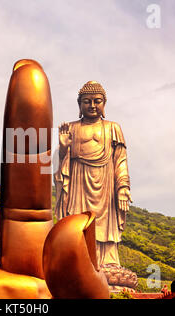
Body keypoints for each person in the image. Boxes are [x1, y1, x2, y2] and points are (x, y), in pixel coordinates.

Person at [55, 81, 132, 266]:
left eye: (97, 101)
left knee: (104, 225)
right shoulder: (72, 128)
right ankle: (78, 260)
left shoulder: (113, 128)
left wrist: (122, 187)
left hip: (105, 182)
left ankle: (108, 262)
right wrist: (64, 149)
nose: (92, 106)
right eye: (86, 101)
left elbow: (120, 160)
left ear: (104, 104)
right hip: (78, 182)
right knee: (78, 222)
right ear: (79, 104)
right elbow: (63, 164)